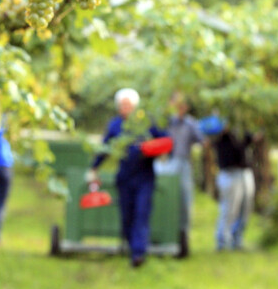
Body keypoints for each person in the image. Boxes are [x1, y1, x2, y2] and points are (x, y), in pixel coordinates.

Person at [87, 88, 167, 267]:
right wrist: (94, 168)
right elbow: (105, 149)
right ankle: (132, 248)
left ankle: (138, 254)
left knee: (141, 213)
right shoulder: (115, 126)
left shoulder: (146, 123)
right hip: (124, 177)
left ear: (135, 106)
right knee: (128, 216)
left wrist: (155, 150)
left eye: (128, 105)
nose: (125, 108)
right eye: (122, 105)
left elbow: (166, 140)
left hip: (145, 177)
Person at [167, 91, 206, 258]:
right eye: (177, 104)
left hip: (183, 164)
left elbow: (203, 141)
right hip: (165, 163)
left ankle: (183, 244)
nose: (180, 108)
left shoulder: (191, 124)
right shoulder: (165, 123)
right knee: (166, 200)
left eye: (183, 105)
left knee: (184, 203)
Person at [211, 124, 256, 251]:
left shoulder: (240, 125)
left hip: (244, 172)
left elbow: (249, 140)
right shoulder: (218, 129)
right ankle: (222, 241)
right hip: (229, 172)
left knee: (246, 207)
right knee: (229, 209)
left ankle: (236, 239)